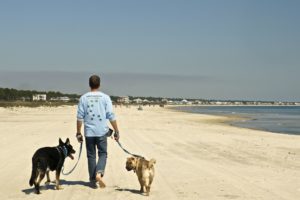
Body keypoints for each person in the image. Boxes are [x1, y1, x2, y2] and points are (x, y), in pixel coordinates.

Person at [76, 74, 120, 188]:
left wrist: (78, 132)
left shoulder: (83, 98)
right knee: (103, 154)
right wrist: (116, 130)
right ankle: (99, 173)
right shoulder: (105, 98)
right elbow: (111, 116)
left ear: (89, 84)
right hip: (101, 132)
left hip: (89, 133)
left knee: (91, 156)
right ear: (99, 84)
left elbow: (80, 117)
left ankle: (92, 179)